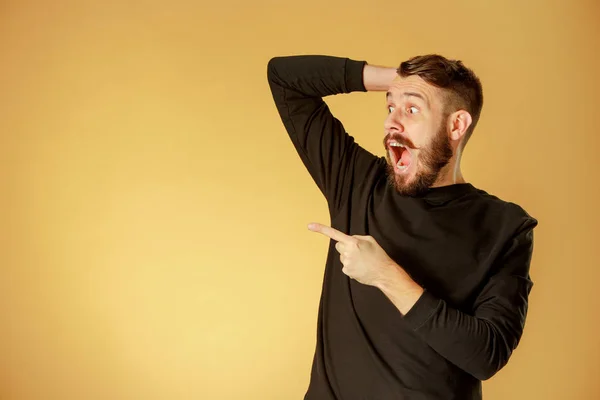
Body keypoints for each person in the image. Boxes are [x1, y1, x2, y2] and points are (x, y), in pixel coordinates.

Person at [266, 54, 537, 399]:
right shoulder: (357, 182)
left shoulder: (506, 227)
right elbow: (285, 78)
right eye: (389, 107)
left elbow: (487, 355)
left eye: (411, 110)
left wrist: (385, 275)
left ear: (456, 126)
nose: (391, 123)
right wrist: (399, 81)